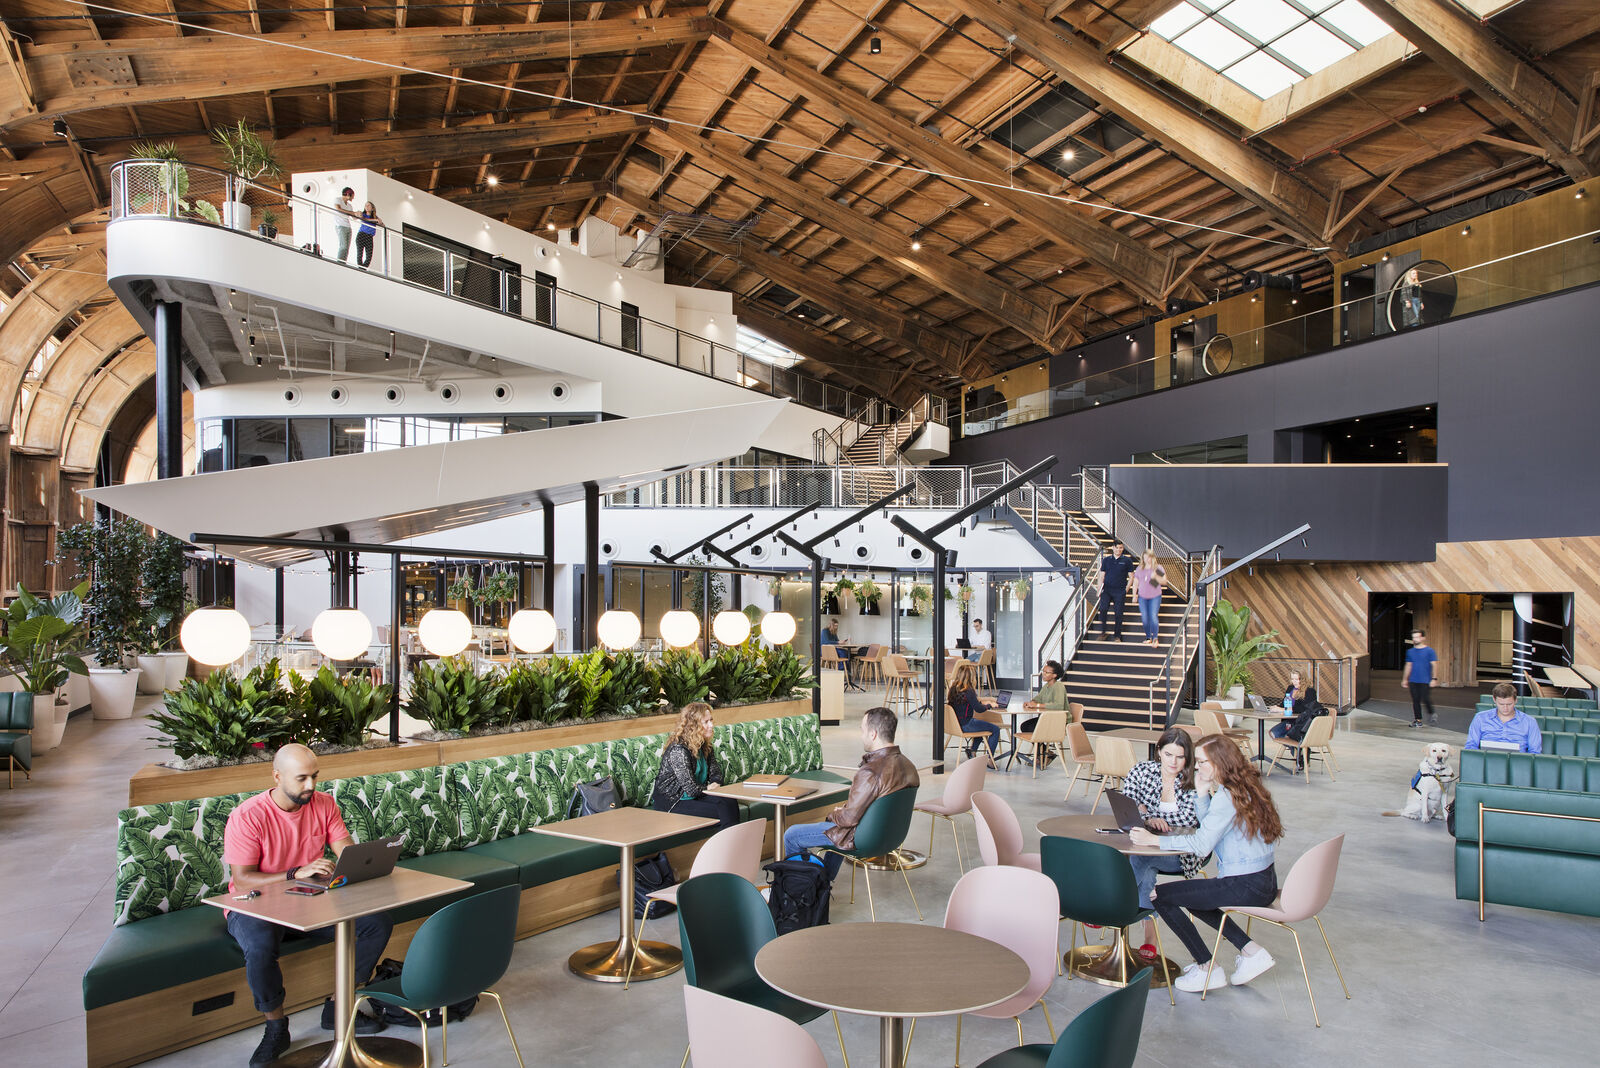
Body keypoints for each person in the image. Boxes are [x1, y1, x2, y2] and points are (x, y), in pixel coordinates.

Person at [223, 744, 393, 1067]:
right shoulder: (248, 816)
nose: (311, 786)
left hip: (310, 900)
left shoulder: (325, 804)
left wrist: (355, 863)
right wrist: (293, 873)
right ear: (277, 776)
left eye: (314, 776)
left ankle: (337, 1006)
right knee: (259, 948)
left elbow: (346, 851)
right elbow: (242, 880)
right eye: (302, 779)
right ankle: (276, 1028)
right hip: (256, 905)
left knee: (376, 923)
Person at [1131, 734, 1282, 994]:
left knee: (1161, 896)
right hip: (1261, 880)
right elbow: (1213, 826)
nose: (1196, 766)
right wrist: (1202, 794)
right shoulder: (1243, 788)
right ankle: (1250, 950)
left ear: (1218, 762)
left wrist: (1154, 841)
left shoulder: (1227, 797)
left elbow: (1202, 844)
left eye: (1201, 762)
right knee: (1191, 896)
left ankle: (1205, 967)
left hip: (1244, 884)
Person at [783, 707, 919, 878]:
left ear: (873, 734)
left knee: (792, 835)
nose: (861, 735)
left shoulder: (871, 771)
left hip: (863, 839)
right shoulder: (909, 766)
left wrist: (836, 813)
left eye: (863, 730)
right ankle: (822, 884)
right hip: (890, 838)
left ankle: (800, 889)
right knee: (838, 829)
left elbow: (849, 820)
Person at [1121, 728, 1203, 959]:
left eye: (1180, 757)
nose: (1174, 762)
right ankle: (1150, 939)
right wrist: (1148, 818)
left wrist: (1148, 813)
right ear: (1159, 752)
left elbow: (1188, 822)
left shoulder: (1196, 780)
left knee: (1141, 858)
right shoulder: (1142, 771)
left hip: (1181, 852)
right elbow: (1127, 804)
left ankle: (1112, 904)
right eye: (1168, 755)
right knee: (1145, 868)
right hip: (1143, 844)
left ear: (1188, 757)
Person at [649, 701, 739, 827]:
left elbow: (716, 772)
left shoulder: (704, 745)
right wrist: (708, 788)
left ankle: (737, 843)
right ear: (693, 725)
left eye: (711, 720)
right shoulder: (678, 750)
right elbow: (690, 789)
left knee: (729, 801)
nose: (711, 725)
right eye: (706, 722)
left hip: (696, 796)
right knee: (724, 810)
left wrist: (716, 783)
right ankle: (740, 843)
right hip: (674, 802)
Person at [1465, 682, 1543, 753]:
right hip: (1487, 761)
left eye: (1509, 704)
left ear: (1516, 700)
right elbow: (1470, 746)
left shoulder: (1529, 722)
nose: (1505, 708)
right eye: (1501, 704)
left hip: (1517, 764)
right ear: (1494, 700)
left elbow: (1535, 752)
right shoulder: (1480, 718)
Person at [948, 664, 1005, 762]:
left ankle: (973, 751)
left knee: (979, 726)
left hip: (956, 724)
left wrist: (983, 702)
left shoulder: (953, 689)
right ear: (971, 677)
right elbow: (979, 709)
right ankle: (989, 760)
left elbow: (967, 703)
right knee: (995, 729)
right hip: (966, 725)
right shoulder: (969, 690)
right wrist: (990, 705)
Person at [1097, 540, 1137, 641]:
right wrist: (1098, 589)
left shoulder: (1127, 561)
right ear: (1113, 548)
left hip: (1120, 591)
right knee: (1103, 609)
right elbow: (1102, 576)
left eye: (1121, 548)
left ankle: (1117, 635)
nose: (1119, 550)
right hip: (1107, 589)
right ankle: (1103, 632)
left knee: (1118, 613)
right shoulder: (1106, 560)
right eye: (1117, 548)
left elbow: (1131, 577)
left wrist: (1126, 590)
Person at [1018, 659, 1069, 736]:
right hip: (1049, 718)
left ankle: (1041, 748)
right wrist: (1031, 703)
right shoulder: (1046, 686)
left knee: (1030, 728)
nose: (1043, 674)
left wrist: (1037, 705)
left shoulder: (1059, 686)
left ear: (1054, 675)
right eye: (1043, 671)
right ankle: (1042, 748)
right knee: (1025, 726)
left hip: (1059, 720)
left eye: (1047, 672)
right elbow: (1037, 699)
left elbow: (1058, 705)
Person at [1402, 629, 1439, 727]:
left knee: (1425, 698)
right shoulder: (1410, 652)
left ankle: (1431, 713)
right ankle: (1418, 720)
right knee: (1416, 700)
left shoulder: (1429, 651)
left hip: (1425, 680)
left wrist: (1434, 679)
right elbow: (1408, 665)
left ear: (1423, 638)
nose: (1415, 639)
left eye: (1417, 637)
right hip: (1413, 680)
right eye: (1414, 637)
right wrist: (1405, 679)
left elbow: (1434, 665)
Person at [1132, 550, 1168, 645]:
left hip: (1155, 596)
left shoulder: (1157, 568)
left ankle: (1155, 638)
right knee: (1144, 617)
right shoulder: (1140, 569)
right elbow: (1135, 583)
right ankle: (1148, 637)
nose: (1148, 559)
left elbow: (1164, 581)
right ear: (1143, 558)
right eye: (1146, 557)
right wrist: (1134, 595)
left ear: (1153, 558)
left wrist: (1156, 577)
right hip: (1142, 597)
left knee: (1153, 615)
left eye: (1150, 557)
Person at [332, 186, 356, 264]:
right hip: (340, 226)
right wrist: (352, 213)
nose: (353, 198)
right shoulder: (338, 200)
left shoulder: (349, 206)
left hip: (348, 227)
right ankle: (339, 263)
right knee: (343, 246)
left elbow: (353, 217)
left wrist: (359, 214)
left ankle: (343, 263)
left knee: (347, 248)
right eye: (352, 196)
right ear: (348, 195)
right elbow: (338, 209)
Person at [354, 201, 382, 269]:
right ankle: (360, 269)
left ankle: (363, 269)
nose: (366, 206)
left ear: (372, 208)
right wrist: (376, 220)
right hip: (361, 235)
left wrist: (379, 221)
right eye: (365, 205)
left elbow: (382, 224)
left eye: (368, 205)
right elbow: (365, 219)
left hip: (369, 237)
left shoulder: (375, 217)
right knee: (360, 254)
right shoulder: (363, 214)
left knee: (369, 256)